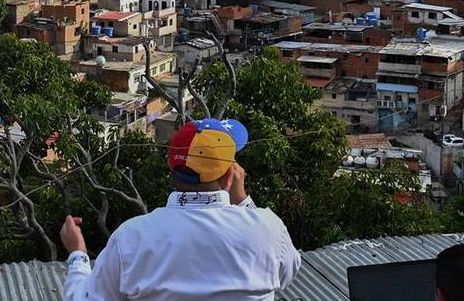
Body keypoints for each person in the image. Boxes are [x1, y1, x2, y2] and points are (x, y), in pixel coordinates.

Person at [61, 117, 300, 300]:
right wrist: (243, 202)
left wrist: (77, 254)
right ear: (230, 176)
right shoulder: (268, 229)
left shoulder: (131, 238)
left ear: (173, 171)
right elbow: (287, 274)